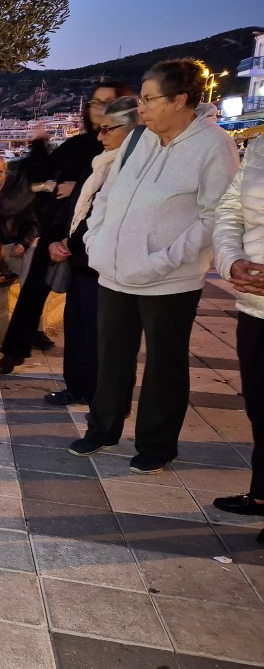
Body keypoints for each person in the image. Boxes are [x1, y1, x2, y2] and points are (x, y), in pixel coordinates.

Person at [68, 59, 240, 474]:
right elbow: (109, 193)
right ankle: (102, 428)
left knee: (165, 363)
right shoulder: (139, 138)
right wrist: (96, 240)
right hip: (114, 271)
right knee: (112, 356)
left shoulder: (214, 146)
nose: (139, 108)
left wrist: (160, 260)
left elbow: (214, 215)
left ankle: (156, 445)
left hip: (170, 281)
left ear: (180, 99)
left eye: (148, 99)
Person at [0, 81, 135, 372]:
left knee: (86, 308)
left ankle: (90, 376)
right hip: (58, 227)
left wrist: (78, 187)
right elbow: (43, 173)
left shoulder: (130, 150)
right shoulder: (79, 145)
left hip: (93, 236)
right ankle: (15, 350)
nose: (100, 110)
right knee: (34, 289)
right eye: (96, 102)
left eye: (108, 102)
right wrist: (39, 144)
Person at [41, 97, 141, 406]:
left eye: (108, 129)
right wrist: (54, 239)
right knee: (78, 331)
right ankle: (79, 387)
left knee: (109, 339)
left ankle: (110, 401)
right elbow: (74, 210)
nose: (101, 136)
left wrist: (68, 245)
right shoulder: (98, 163)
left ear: (132, 129)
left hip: (110, 266)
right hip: (81, 264)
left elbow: (107, 215)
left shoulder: (134, 168)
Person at [211, 137, 264, 522]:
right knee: (260, 406)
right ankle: (262, 493)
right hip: (255, 304)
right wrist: (232, 260)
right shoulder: (261, 146)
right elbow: (229, 210)